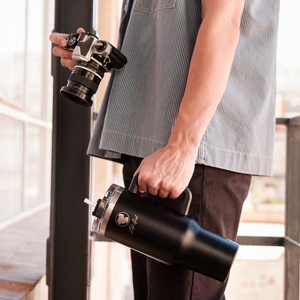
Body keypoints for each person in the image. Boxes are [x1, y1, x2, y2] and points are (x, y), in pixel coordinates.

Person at [50, 0, 280, 299]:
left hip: (194, 152)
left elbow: (224, 21)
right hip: (150, 146)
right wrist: (95, 53)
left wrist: (183, 146)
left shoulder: (186, 150)